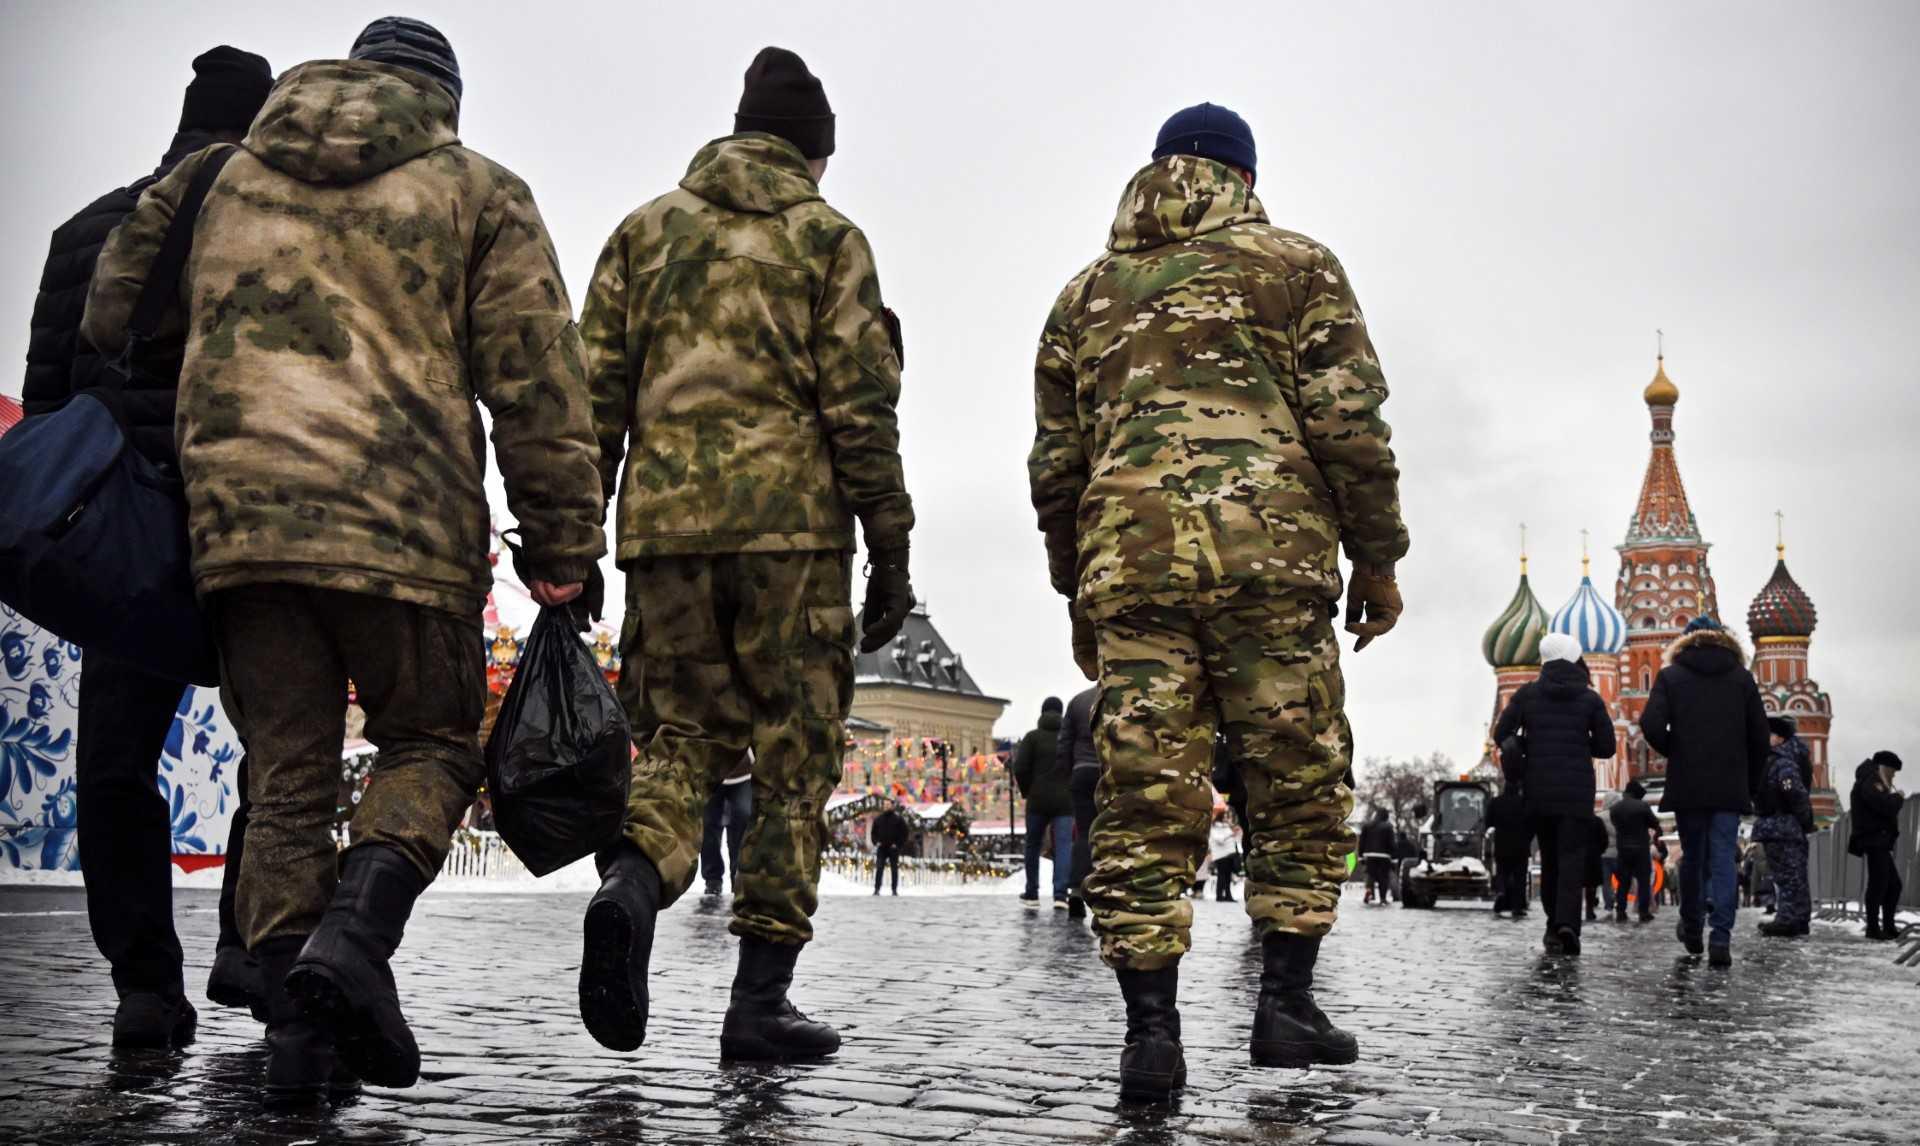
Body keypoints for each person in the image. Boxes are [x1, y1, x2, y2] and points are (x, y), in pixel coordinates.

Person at [83, 17, 606, 1105]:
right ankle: (352, 949)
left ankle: (298, 1036)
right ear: (444, 103)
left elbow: (108, 311)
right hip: (401, 524)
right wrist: (561, 545)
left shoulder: (219, 178)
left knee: (284, 778)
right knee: (429, 741)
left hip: (241, 529)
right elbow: (539, 384)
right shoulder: (478, 189)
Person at [1028, 102, 1406, 1102]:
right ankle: (1285, 1006)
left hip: (1133, 575)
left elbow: (1057, 466)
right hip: (1269, 567)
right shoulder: (1298, 268)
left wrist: (1079, 587)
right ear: (1245, 175)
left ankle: (1150, 1032)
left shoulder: (1084, 298)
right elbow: (1351, 429)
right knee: (1298, 783)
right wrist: (1378, 561)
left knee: (1144, 798)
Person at [578, 46, 914, 1063]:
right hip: (795, 541)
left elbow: (588, 397)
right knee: (790, 765)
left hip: (666, 536)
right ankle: (758, 1003)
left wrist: (574, 531)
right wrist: (890, 550)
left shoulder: (643, 234)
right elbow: (862, 410)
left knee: (682, 742)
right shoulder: (829, 241)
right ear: (816, 155)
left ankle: (633, 884)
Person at [22, 45, 273, 1050]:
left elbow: (46, 411)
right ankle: (250, 945)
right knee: (284, 754)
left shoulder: (85, 230)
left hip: (125, 537)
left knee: (113, 765)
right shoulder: (271, 234)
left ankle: (143, 987)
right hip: (244, 528)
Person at [1639, 616, 1768, 969]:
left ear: (1685, 641)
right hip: (1729, 785)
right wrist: (1749, 779)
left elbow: (1650, 724)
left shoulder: (1671, 676)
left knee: (1693, 858)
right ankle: (1721, 936)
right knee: (1724, 858)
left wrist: (1675, 750)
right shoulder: (1742, 678)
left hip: (1688, 783)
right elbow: (1760, 736)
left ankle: (1693, 926)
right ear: (1724, 640)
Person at [1492, 632, 1616, 957]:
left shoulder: (1528, 694)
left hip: (1538, 790)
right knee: (1572, 860)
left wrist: (1528, 746)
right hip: (1577, 793)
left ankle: (1552, 926)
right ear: (1576, 659)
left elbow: (1500, 733)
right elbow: (1607, 746)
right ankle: (1567, 925)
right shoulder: (1589, 698)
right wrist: (1579, 743)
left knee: (1549, 859)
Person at [1753, 717, 1815, 938]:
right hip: (1783, 826)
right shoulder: (1788, 758)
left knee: (1788, 876)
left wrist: (1803, 818)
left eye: (1768, 734)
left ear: (1778, 738)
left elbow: (1794, 793)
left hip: (1781, 826)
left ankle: (1788, 919)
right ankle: (1798, 918)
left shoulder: (1783, 761)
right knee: (1793, 874)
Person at [1013, 697, 1073, 909]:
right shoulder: (1067, 738)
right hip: (1065, 801)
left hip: (1037, 800)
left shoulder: (1032, 738)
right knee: (1064, 846)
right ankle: (1060, 895)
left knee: (1033, 845)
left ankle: (1032, 893)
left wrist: (1027, 790)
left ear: (1042, 712)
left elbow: (1019, 768)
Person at [1849, 751, 1905, 940]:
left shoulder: (1870, 779)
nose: (1893, 776)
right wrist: (1898, 797)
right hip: (1874, 839)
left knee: (1892, 885)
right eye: (1893, 772)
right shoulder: (1871, 781)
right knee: (1879, 884)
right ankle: (1873, 928)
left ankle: (1886, 926)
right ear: (1885, 768)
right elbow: (1883, 805)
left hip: (1878, 839)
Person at [1059, 686, 1100, 920]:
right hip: (1110, 774)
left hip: (1081, 773)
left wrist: (1069, 776)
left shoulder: (1078, 701)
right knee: (1111, 833)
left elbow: (1064, 744)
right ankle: (1105, 889)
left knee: (1083, 834)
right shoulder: (1119, 695)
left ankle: (1075, 890)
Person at [700, 753, 753, 898]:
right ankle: (713, 879)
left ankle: (737, 878)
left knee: (742, 818)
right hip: (710, 773)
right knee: (708, 825)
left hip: (743, 774)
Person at [1609, 780, 1661, 922]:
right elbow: (1654, 823)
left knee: (1623, 882)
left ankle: (1621, 911)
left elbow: (1615, 824)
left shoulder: (1615, 808)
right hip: (1641, 849)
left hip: (1623, 849)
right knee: (1644, 881)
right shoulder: (1642, 806)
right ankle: (1643, 912)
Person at [1487, 784, 1532, 918]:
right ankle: (1517, 907)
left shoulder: (1495, 802)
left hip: (1502, 845)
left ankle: (1501, 892)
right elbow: (1532, 822)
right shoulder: (1524, 802)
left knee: (1502, 873)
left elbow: (1488, 822)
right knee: (1519, 878)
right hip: (1521, 846)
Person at [869, 802, 909, 896]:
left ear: (892, 806)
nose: (886, 806)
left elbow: (904, 833)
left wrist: (898, 844)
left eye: (888, 805)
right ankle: (877, 889)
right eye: (885, 805)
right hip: (882, 847)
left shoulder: (898, 819)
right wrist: (876, 842)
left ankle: (894, 889)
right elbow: (873, 833)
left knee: (894, 869)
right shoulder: (878, 819)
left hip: (893, 848)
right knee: (879, 868)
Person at [1357, 809, 1396, 905]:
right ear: (1386, 816)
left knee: (1370, 875)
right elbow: (1392, 843)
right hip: (1384, 856)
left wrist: (1361, 855)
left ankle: (1369, 891)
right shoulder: (1388, 827)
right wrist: (1393, 856)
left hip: (1369, 855)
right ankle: (1383, 898)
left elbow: (1361, 842)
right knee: (1383, 878)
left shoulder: (1366, 826)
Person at [1208, 811, 1242, 902]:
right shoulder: (1215, 827)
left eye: (1228, 816)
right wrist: (1230, 834)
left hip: (1230, 854)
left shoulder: (1227, 827)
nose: (1227, 818)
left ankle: (1228, 895)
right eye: (1226, 816)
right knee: (1221, 876)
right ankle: (1219, 895)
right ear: (1221, 817)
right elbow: (1219, 839)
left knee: (1228, 876)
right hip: (1221, 855)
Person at [1582, 813, 1608, 923]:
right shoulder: (1597, 821)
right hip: (1593, 856)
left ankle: (1573, 911)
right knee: (1591, 886)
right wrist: (1598, 851)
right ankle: (1589, 910)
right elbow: (1604, 840)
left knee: (1575, 885)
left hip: (1577, 856)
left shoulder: (1575, 819)